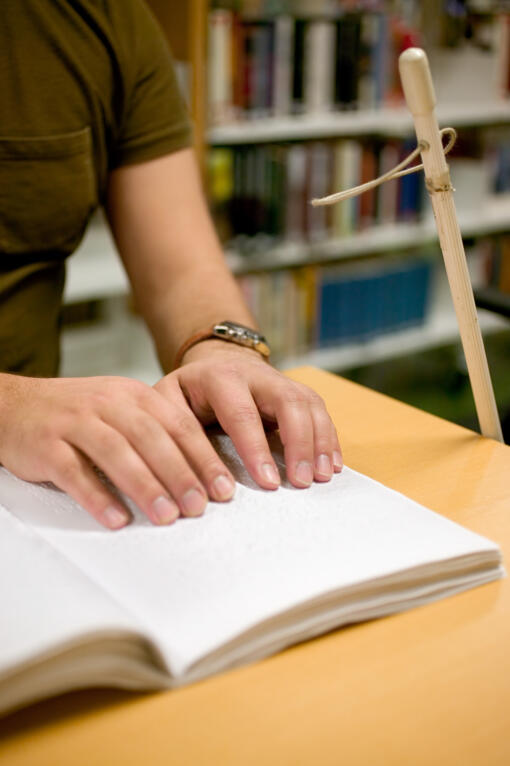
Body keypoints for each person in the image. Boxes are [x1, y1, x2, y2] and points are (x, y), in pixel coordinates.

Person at [0, 0, 342, 530]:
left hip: (36, 489)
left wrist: (225, 352)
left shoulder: (107, 19)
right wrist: (8, 406)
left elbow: (182, 272)